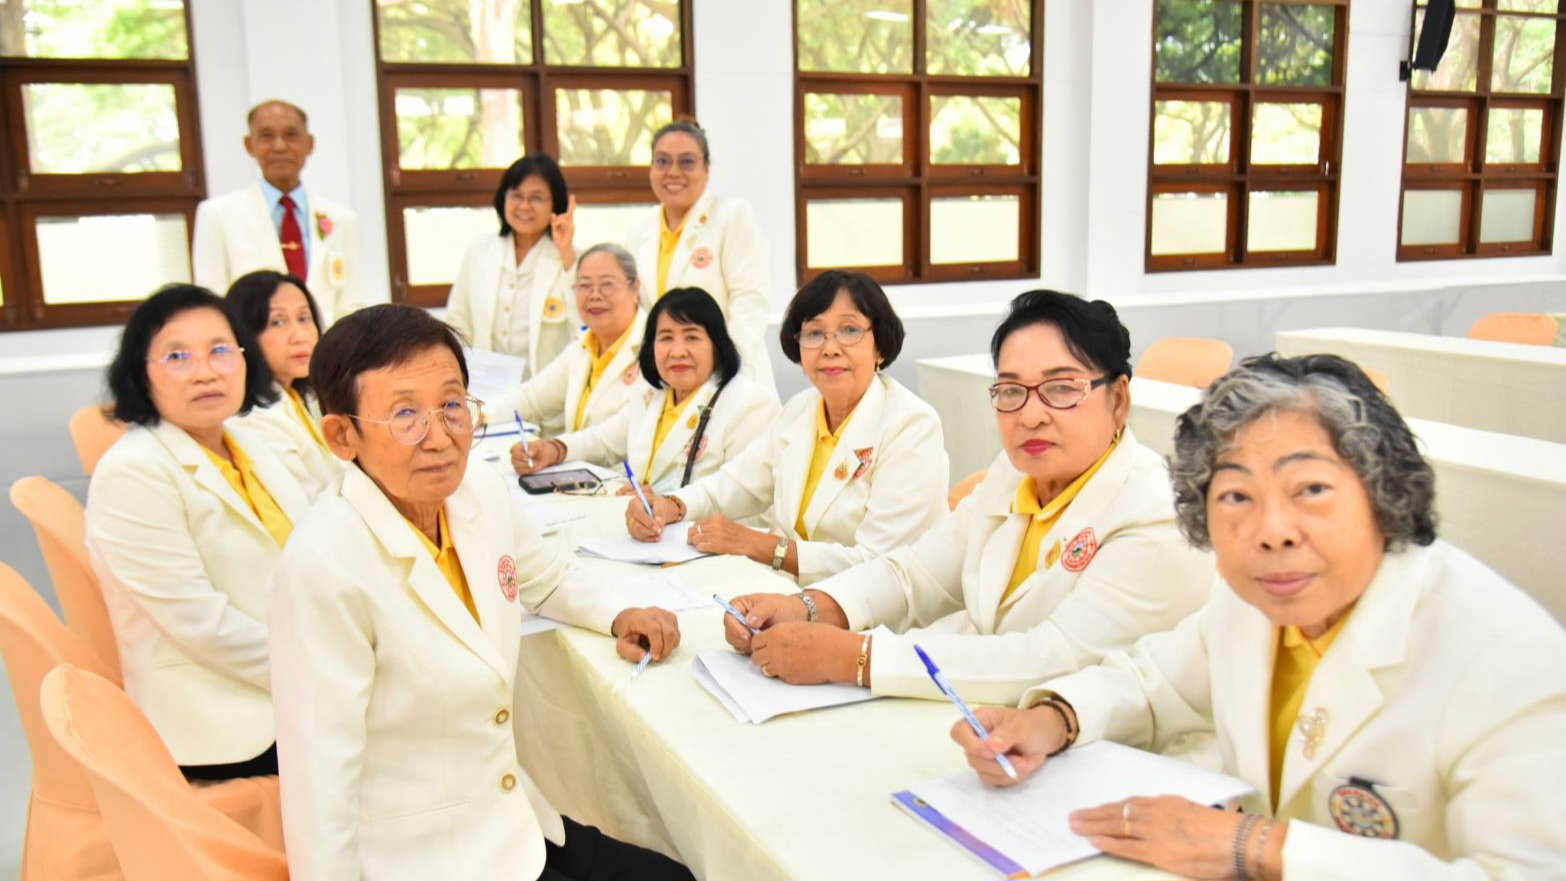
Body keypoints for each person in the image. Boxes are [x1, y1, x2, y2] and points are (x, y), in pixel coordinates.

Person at [950, 354, 1566, 881]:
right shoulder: (1251, 605)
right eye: (1236, 496)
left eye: (1311, 490)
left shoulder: (1507, 658)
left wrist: (1258, 845)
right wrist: (1051, 720)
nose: (1271, 532)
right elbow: (1153, 682)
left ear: (1384, 492)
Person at [267, 304, 688, 881]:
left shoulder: (476, 491)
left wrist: (621, 613)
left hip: (513, 819)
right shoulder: (322, 568)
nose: (440, 438)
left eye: (451, 406)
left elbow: (546, 577)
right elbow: (320, 784)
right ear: (343, 436)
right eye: (406, 415)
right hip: (423, 857)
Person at [720, 291, 1214, 705]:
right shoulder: (1014, 475)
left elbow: (1055, 658)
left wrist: (855, 657)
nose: (1031, 415)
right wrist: (809, 606)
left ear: (1119, 399)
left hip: (1100, 755)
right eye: (1012, 390)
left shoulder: (1155, 512)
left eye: (1062, 388)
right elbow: (917, 575)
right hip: (982, 719)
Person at [85, 285, 312, 780]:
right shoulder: (132, 473)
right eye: (177, 357)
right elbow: (202, 626)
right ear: (141, 373)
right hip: (229, 715)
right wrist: (324, 668)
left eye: (220, 351)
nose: (206, 372)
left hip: (292, 665)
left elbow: (320, 543)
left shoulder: (248, 440)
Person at [625, 270, 948, 586]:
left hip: (875, 609)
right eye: (814, 333)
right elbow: (738, 483)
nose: (830, 348)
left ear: (880, 347)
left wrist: (760, 545)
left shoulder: (911, 425)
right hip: (789, 592)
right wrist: (672, 505)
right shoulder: (800, 410)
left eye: (849, 330)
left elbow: (879, 564)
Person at [513, 287, 778, 493]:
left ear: (717, 345)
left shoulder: (750, 405)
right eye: (666, 338)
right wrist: (554, 449)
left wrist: (667, 503)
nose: (677, 351)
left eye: (692, 337)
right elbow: (603, 441)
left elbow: (743, 498)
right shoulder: (651, 397)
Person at [627, 121, 776, 396]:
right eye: (662, 161)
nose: (673, 172)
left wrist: (725, 372)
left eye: (687, 161)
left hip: (730, 379)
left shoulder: (731, 216)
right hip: (670, 380)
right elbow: (639, 313)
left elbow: (749, 302)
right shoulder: (639, 231)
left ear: (706, 168)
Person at [193, 99, 363, 324]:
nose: (280, 146)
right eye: (266, 136)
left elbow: (350, 304)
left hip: (327, 344)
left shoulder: (341, 219)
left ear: (309, 144)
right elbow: (211, 305)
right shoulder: (217, 215)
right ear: (249, 145)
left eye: (291, 135)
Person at [489, 243, 649, 438]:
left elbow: (621, 434)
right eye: (585, 285)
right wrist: (479, 416)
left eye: (607, 284)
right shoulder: (583, 346)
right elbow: (531, 399)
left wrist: (559, 448)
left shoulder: (654, 348)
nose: (594, 295)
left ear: (635, 288)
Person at [445, 154, 580, 377]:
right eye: (516, 195)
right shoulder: (479, 250)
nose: (524, 206)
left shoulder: (571, 259)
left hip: (546, 389)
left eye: (537, 198)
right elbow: (458, 322)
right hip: (484, 385)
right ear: (503, 198)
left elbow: (583, 329)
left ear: (555, 204)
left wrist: (567, 256)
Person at [227, 269, 342, 495]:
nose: (300, 336)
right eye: (278, 322)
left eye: (304, 318)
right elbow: (306, 504)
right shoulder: (252, 421)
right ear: (245, 334)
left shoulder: (297, 397)